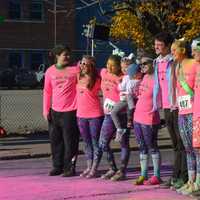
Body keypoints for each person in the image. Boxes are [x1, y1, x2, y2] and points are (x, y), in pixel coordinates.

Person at [153, 32, 188, 188]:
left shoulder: (174, 62)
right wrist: (156, 103)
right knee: (175, 143)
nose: (156, 47)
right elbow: (156, 86)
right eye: (155, 44)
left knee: (182, 143)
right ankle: (176, 175)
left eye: (159, 45)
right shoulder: (157, 62)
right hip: (167, 107)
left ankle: (182, 176)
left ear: (167, 47)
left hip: (178, 106)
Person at [43, 44, 80, 177]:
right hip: (55, 112)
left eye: (69, 55)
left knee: (70, 141)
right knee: (56, 140)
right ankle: (57, 166)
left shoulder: (75, 70)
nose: (68, 57)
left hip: (71, 111)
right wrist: (46, 110)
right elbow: (47, 92)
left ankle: (69, 168)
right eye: (65, 55)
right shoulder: (50, 71)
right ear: (57, 56)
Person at [170, 39, 197, 195]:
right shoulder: (177, 67)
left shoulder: (194, 64)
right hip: (182, 111)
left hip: (194, 111)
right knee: (187, 148)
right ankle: (190, 180)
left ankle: (196, 182)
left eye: (175, 50)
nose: (172, 53)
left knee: (196, 148)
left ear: (183, 50)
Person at [99, 54, 130, 181]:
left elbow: (127, 99)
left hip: (120, 115)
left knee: (123, 143)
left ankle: (122, 171)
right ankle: (113, 168)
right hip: (107, 114)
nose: (109, 67)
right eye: (107, 64)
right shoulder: (104, 72)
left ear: (119, 67)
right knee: (102, 143)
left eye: (113, 65)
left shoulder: (124, 79)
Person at [133, 57, 161, 185]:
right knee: (142, 147)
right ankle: (143, 174)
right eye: (140, 64)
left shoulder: (157, 79)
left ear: (152, 63)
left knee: (152, 146)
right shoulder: (144, 77)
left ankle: (156, 175)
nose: (142, 66)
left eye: (145, 63)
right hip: (137, 117)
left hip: (149, 118)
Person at [76, 55, 104, 178]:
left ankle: (94, 168)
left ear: (91, 66)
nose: (82, 66)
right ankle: (88, 166)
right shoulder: (78, 77)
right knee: (86, 142)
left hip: (95, 115)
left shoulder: (98, 79)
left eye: (85, 64)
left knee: (95, 142)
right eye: (81, 63)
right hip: (81, 115)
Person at [111, 62, 141, 142]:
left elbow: (121, 88)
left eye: (126, 68)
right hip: (133, 99)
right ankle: (129, 123)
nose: (124, 69)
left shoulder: (127, 78)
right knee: (130, 112)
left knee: (114, 112)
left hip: (126, 99)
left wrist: (119, 82)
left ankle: (119, 129)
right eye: (122, 67)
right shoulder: (139, 79)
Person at [190, 38, 200, 197]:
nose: (192, 54)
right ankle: (197, 182)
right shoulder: (196, 67)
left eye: (195, 50)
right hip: (196, 114)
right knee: (197, 149)